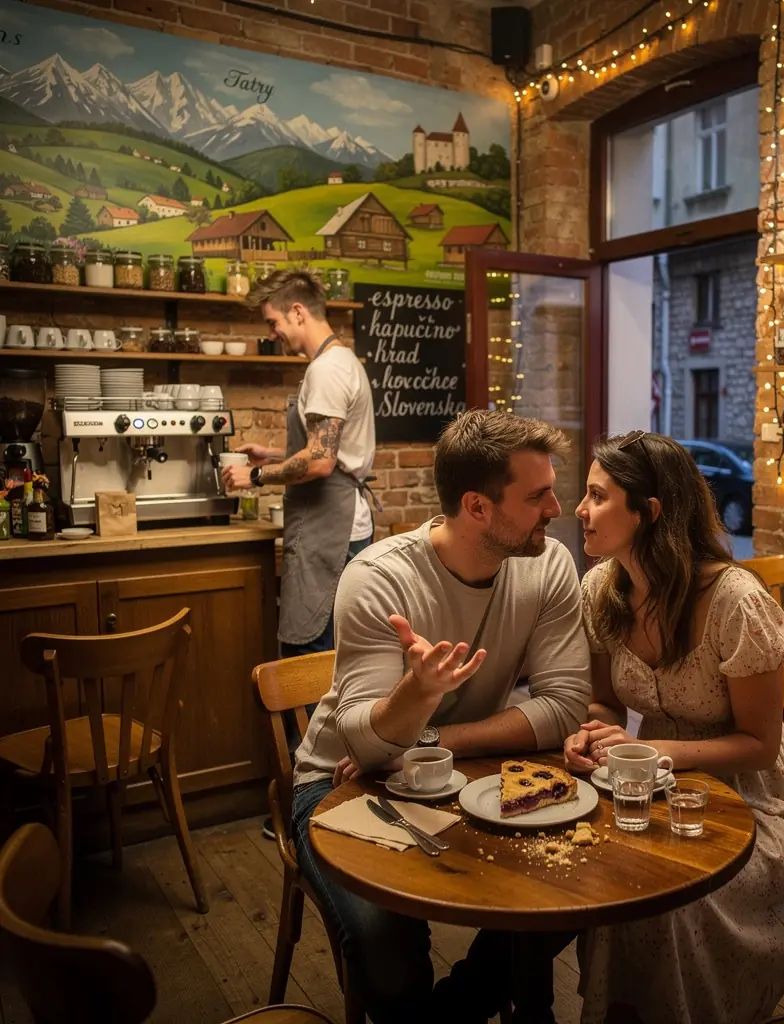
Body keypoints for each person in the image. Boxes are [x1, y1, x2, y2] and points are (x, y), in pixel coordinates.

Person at [291, 409, 589, 1024]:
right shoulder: (378, 577)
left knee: (566, 896)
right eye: (537, 496)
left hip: (466, 769)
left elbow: (563, 707)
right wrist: (415, 693)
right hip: (341, 785)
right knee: (385, 944)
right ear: (478, 507)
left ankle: (445, 1016)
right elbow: (364, 749)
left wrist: (429, 732)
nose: (558, 509)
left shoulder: (550, 564)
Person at [566, 430, 784, 1024]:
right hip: (653, 788)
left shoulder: (734, 600)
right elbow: (606, 704)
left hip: (756, 802)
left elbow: (761, 748)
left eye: (596, 496)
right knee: (608, 880)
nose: (579, 510)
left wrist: (651, 748)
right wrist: (594, 734)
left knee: (667, 902)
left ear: (649, 512)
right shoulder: (601, 590)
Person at [221, 268, 376, 840]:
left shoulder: (328, 369)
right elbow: (315, 449)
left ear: (297, 313)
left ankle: (304, 810)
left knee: (308, 665)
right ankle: (322, 802)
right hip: (331, 525)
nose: (274, 334)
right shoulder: (339, 363)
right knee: (322, 662)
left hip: (331, 528)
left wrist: (255, 472)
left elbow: (320, 462)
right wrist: (274, 449)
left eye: (273, 323)